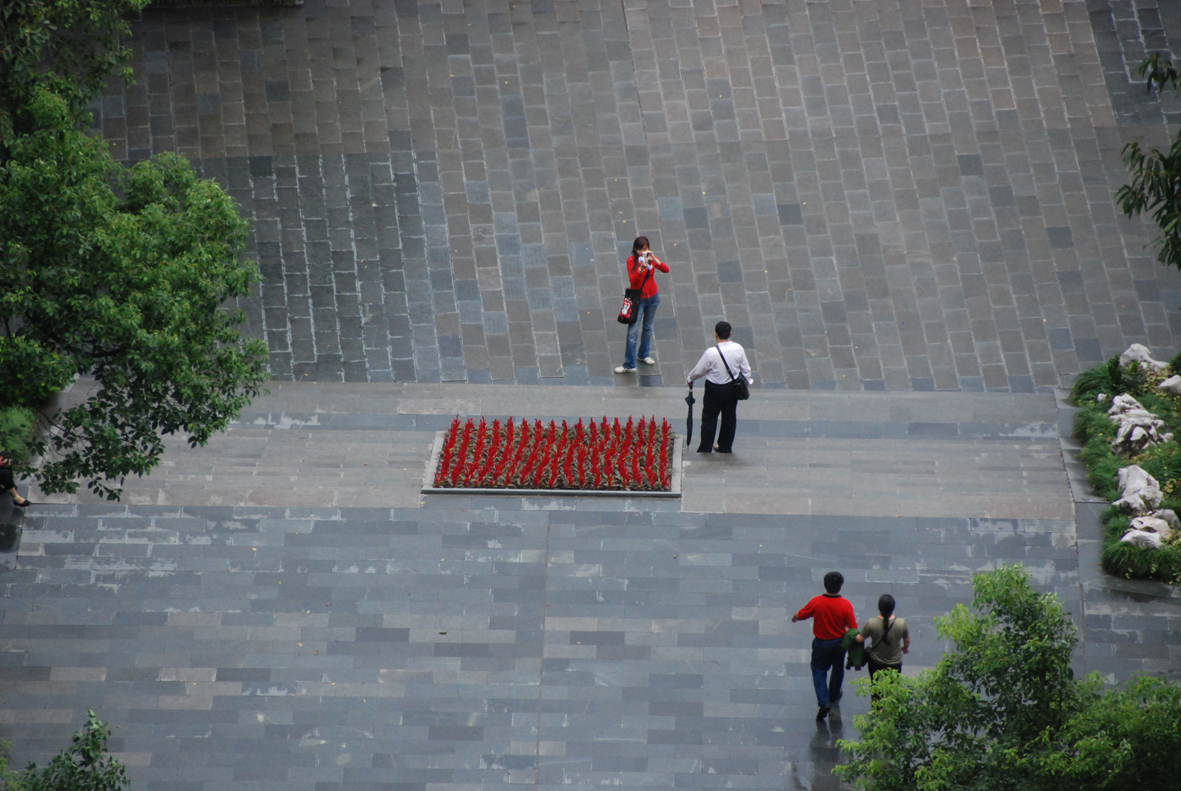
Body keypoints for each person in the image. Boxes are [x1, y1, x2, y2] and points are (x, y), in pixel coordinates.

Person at [792, 571, 858, 720]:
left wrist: (794, 617)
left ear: (824, 585)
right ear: (840, 587)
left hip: (822, 643)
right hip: (840, 643)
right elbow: (853, 628)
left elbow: (802, 614)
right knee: (837, 668)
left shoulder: (817, 602)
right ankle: (833, 695)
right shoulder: (845, 605)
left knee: (819, 670)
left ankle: (823, 701)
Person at [685, 321, 752, 453]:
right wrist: (747, 382)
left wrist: (690, 378)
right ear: (730, 334)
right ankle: (725, 446)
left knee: (709, 418)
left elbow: (699, 370)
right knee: (729, 417)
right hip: (732, 388)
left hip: (713, 389)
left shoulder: (711, 353)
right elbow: (746, 369)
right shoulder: (738, 348)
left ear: (715, 334)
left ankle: (705, 447)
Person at [614, 236, 668, 374]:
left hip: (653, 298)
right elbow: (633, 280)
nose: (643, 251)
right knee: (632, 333)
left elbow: (666, 269)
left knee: (648, 328)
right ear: (635, 249)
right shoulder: (631, 261)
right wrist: (640, 268)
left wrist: (655, 260)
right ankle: (629, 364)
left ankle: (643, 354)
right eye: (641, 249)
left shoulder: (651, 260)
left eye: (646, 248)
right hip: (639, 301)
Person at [855, 593, 910, 699]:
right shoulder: (901, 623)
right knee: (893, 689)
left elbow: (860, 639)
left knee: (876, 688)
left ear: (879, 607)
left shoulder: (871, 623)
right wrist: (905, 647)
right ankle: (890, 710)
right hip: (895, 662)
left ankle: (877, 709)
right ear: (893, 607)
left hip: (876, 661)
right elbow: (907, 639)